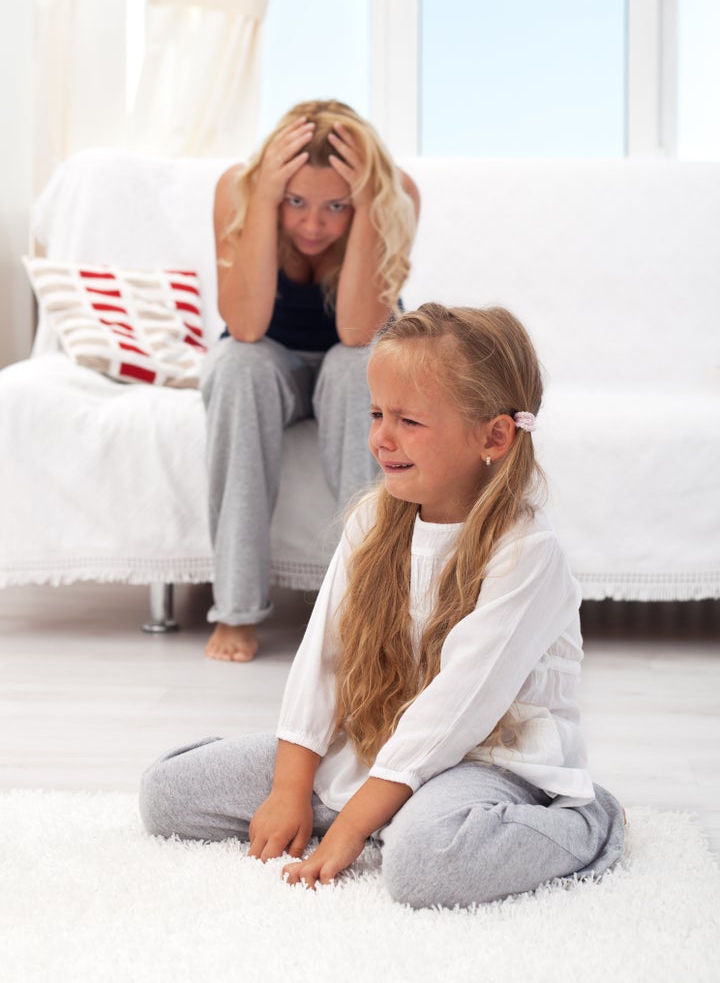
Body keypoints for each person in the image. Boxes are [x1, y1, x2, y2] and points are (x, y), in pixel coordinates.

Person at [140, 303, 625, 908]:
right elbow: (322, 660)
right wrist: (291, 788)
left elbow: (456, 709)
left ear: (493, 436)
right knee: (167, 793)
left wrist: (348, 828)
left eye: (409, 421)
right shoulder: (372, 520)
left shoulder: (527, 552)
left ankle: (585, 822)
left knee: (424, 868)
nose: (380, 439)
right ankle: (388, 812)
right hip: (376, 747)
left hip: (485, 759)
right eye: (375, 414)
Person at [201, 99, 420, 663]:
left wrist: (371, 202)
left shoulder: (396, 195)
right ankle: (236, 607)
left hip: (356, 358)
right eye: (296, 201)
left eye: (335, 206)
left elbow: (355, 330)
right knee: (236, 366)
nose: (312, 224)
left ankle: (362, 609)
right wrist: (265, 199)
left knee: (355, 366)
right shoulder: (238, 190)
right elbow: (245, 327)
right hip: (268, 358)